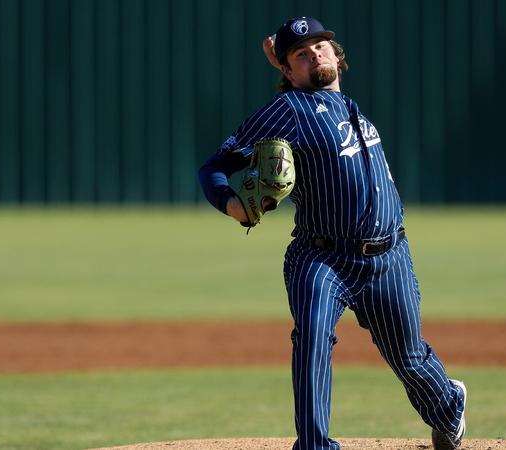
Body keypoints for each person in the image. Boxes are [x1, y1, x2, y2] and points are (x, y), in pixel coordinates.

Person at [198, 16, 467, 450]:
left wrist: (288, 61)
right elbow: (214, 165)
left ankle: (448, 404)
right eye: (300, 55)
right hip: (321, 257)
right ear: (288, 71)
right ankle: (315, 446)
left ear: (336, 55)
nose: (314, 55)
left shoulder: (346, 104)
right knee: (312, 333)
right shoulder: (287, 111)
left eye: (320, 47)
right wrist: (231, 204)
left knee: (409, 357)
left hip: (388, 258)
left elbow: (318, 85)